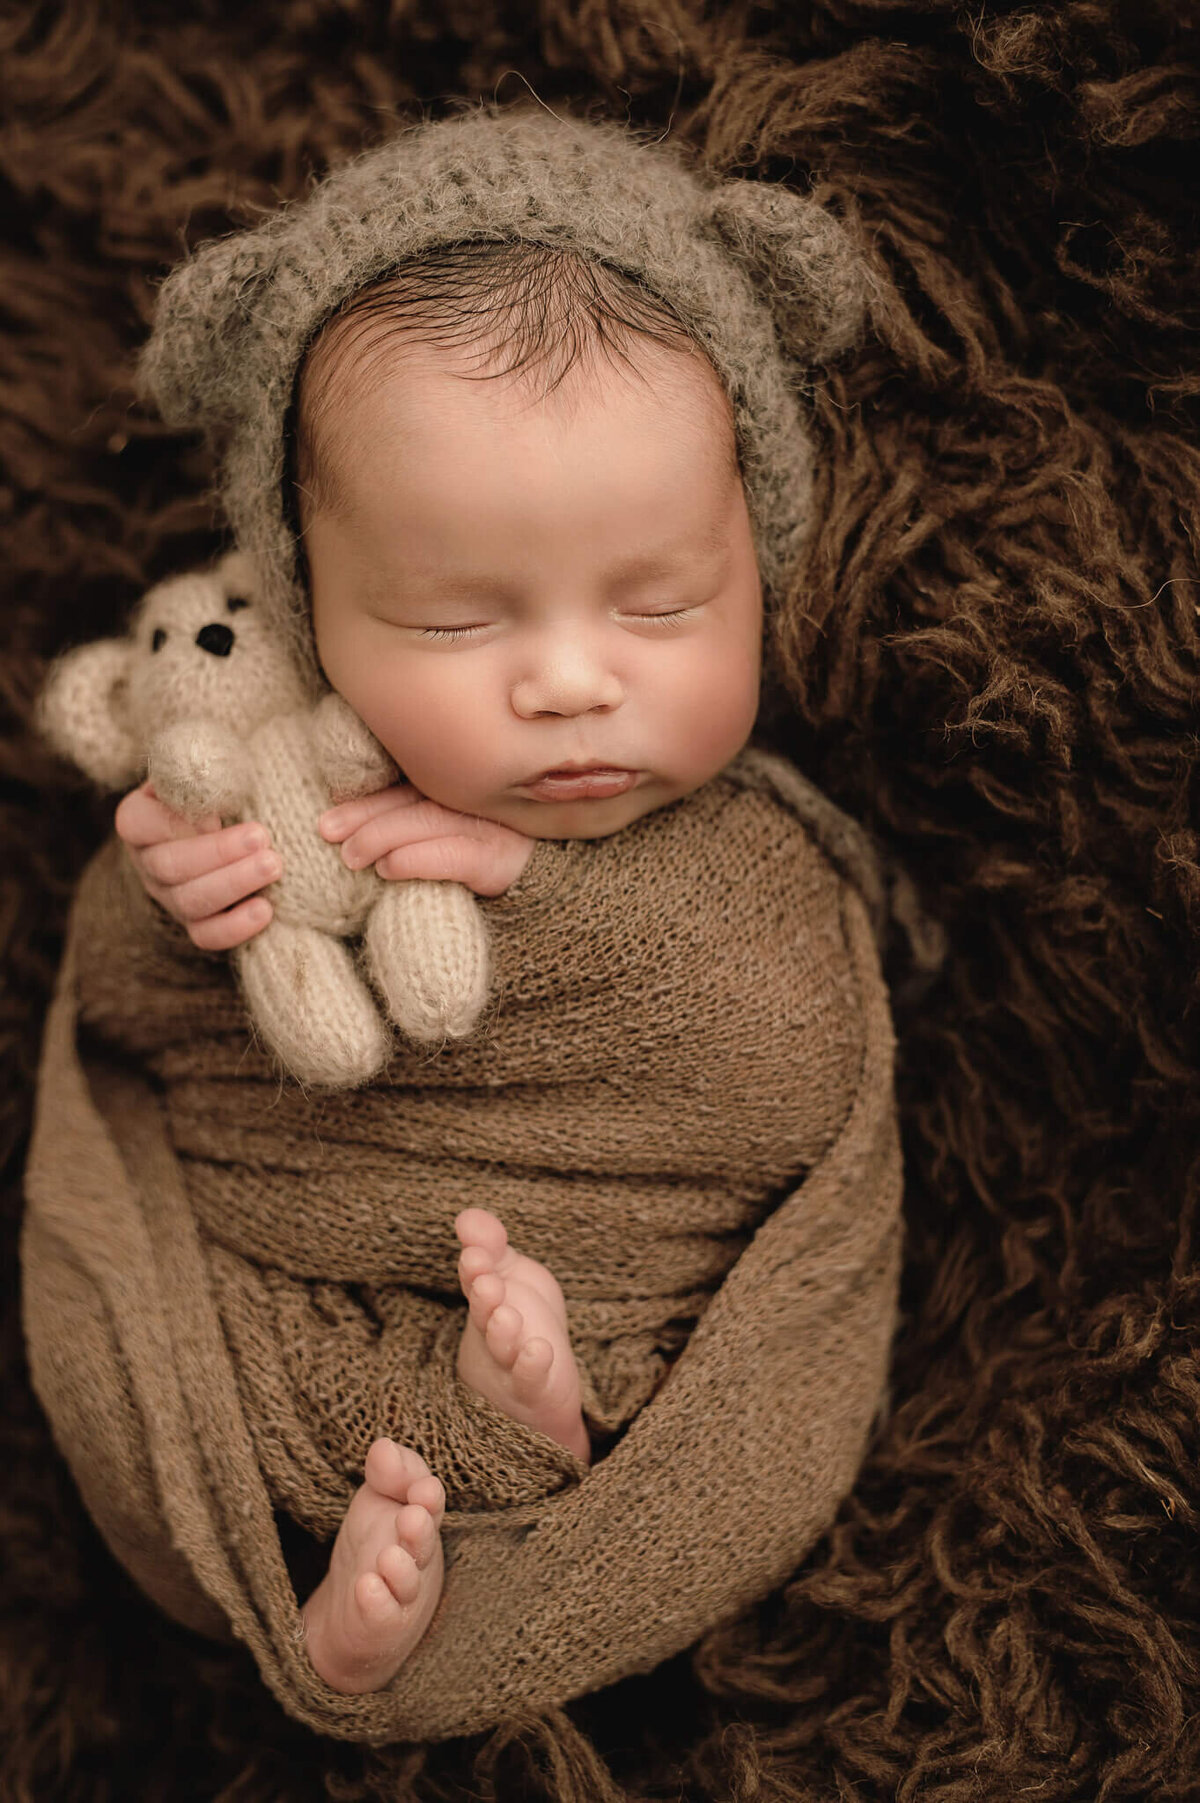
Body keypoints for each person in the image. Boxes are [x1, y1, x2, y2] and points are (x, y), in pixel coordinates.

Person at [24, 102, 903, 1739]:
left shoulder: (754, 852)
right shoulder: (256, 779)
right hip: (264, 1312)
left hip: (633, 1317)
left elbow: (793, 1076)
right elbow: (130, 1028)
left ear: (758, 564)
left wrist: (563, 914)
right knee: (130, 1352)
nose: (574, 682)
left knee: (646, 1375)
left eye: (662, 604)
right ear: (305, 602)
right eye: (447, 617)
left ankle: (513, 1451)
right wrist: (170, 902)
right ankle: (363, 1541)